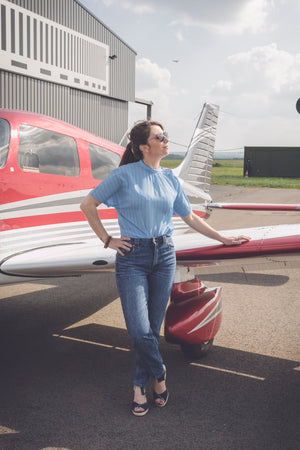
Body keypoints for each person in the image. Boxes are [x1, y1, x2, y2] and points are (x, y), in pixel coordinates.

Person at [80, 120, 250, 416]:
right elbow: (88, 205)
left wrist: (223, 237)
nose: (167, 139)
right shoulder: (122, 176)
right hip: (132, 257)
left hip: (165, 255)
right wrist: (108, 240)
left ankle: (138, 386)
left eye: (166, 135)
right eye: (160, 137)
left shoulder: (170, 178)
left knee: (151, 330)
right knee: (139, 330)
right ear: (144, 147)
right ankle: (159, 375)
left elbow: (191, 218)